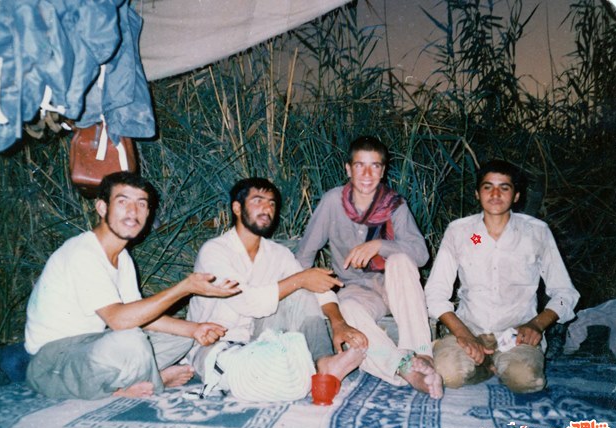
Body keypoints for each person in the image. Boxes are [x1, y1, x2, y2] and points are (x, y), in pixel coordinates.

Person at [24, 171, 241, 400]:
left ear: (148, 213)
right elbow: (119, 320)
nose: (133, 211)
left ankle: (136, 378)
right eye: (123, 202)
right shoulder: (82, 253)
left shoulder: (122, 258)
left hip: (91, 347)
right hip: (50, 363)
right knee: (131, 341)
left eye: (141, 204)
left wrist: (194, 329)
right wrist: (184, 288)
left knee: (181, 335)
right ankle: (151, 382)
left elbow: (138, 316)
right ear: (102, 208)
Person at [185, 177, 366, 401]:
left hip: (260, 337)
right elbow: (247, 301)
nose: (267, 208)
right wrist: (300, 279)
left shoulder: (278, 253)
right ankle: (288, 369)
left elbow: (317, 286)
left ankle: (324, 362)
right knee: (270, 372)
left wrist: (338, 323)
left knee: (302, 292)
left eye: (271, 203)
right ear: (237, 208)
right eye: (258, 200)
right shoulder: (214, 251)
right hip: (215, 343)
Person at [296, 136, 443, 399]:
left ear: (383, 170)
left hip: (395, 286)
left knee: (400, 260)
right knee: (347, 309)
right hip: (357, 288)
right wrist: (298, 290)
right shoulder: (332, 202)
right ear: (348, 169)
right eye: (359, 165)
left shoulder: (395, 204)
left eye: (374, 166)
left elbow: (421, 255)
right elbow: (305, 255)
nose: (366, 174)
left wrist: (379, 245)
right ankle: (402, 367)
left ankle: (421, 353)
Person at [424, 160, 579, 393]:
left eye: (504, 188)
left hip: (517, 335)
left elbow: (565, 293)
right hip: (469, 328)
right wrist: (463, 334)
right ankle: (485, 367)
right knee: (448, 374)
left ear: (516, 196)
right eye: (488, 187)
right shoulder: (462, 233)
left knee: (526, 381)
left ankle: (502, 364)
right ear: (477, 194)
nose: (495, 194)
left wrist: (536, 325)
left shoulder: (536, 232)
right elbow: (435, 293)